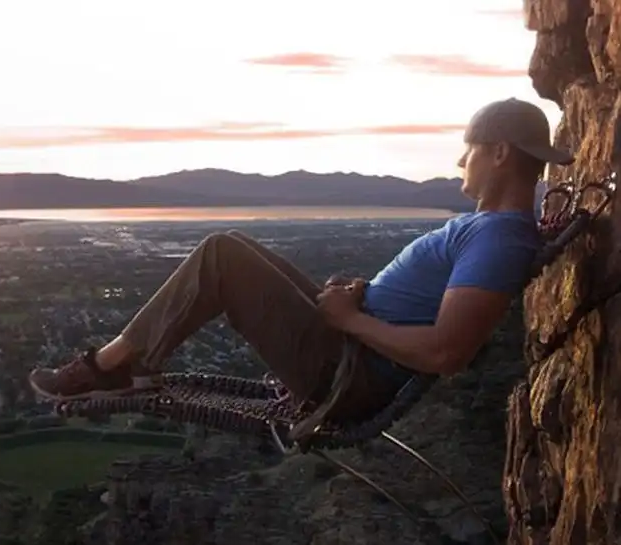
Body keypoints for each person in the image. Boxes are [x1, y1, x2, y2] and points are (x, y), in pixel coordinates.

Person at [29, 97, 574, 422]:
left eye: (469, 149)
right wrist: (361, 299)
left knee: (221, 256)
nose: (459, 160)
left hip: (349, 375)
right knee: (234, 243)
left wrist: (351, 320)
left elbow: (447, 351)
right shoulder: (489, 230)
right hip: (350, 350)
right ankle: (125, 364)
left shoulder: (497, 238)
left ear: (499, 153)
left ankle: (110, 368)